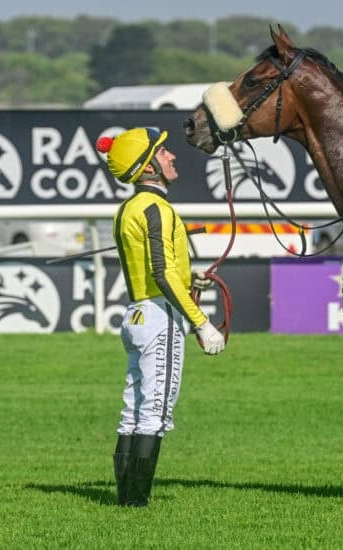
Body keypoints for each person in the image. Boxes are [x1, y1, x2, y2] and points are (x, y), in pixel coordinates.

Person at [95, 127, 226, 507]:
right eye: (163, 151)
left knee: (133, 411)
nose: (172, 156)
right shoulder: (158, 209)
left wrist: (191, 278)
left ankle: (126, 500)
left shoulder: (128, 209)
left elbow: (159, 268)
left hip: (136, 314)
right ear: (148, 166)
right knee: (155, 412)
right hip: (159, 317)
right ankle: (135, 502)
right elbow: (162, 273)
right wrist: (202, 322)